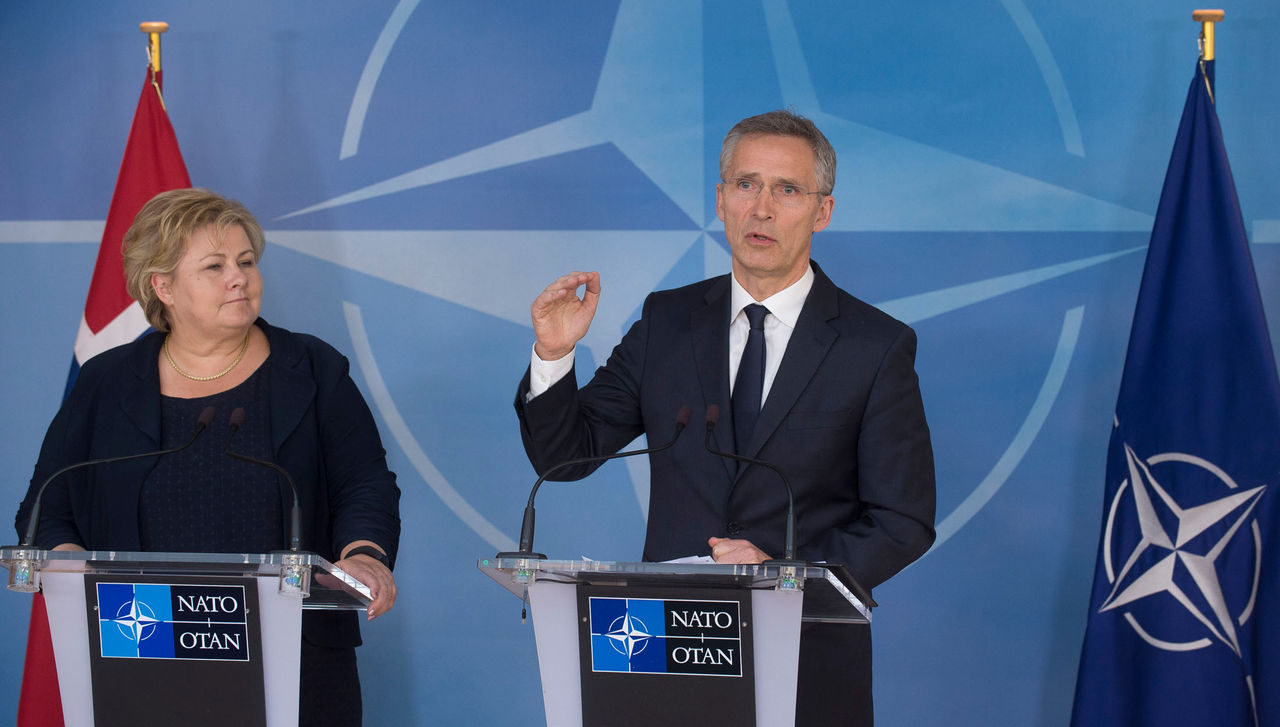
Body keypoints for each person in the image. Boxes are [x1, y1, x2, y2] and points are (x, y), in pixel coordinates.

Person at [514, 110, 936, 725]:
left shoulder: (874, 346)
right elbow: (564, 456)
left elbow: (903, 520)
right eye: (746, 185)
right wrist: (554, 355)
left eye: (786, 190)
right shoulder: (668, 321)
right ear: (721, 198)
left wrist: (788, 575)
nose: (761, 209)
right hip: (658, 655)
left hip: (807, 662)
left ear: (823, 211)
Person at [15, 188, 400, 727]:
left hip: (297, 656)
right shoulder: (106, 382)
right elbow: (45, 506)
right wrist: (81, 574)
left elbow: (364, 482)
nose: (238, 277)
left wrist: (363, 554)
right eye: (214, 266)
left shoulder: (311, 368)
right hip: (140, 650)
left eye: (245, 262)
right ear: (163, 286)